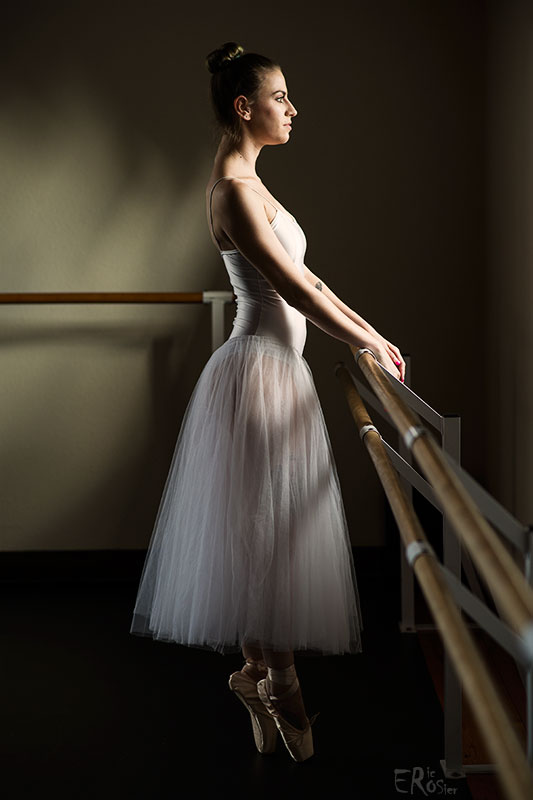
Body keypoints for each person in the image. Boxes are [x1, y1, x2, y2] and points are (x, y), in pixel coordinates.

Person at [130, 41, 405, 763]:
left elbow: (313, 280)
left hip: (276, 369)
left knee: (271, 528)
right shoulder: (231, 191)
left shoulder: (252, 185)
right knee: (264, 534)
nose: (292, 109)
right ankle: (275, 682)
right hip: (257, 372)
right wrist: (359, 343)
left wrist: (372, 334)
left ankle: (260, 675)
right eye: (280, 97)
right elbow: (292, 290)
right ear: (243, 106)